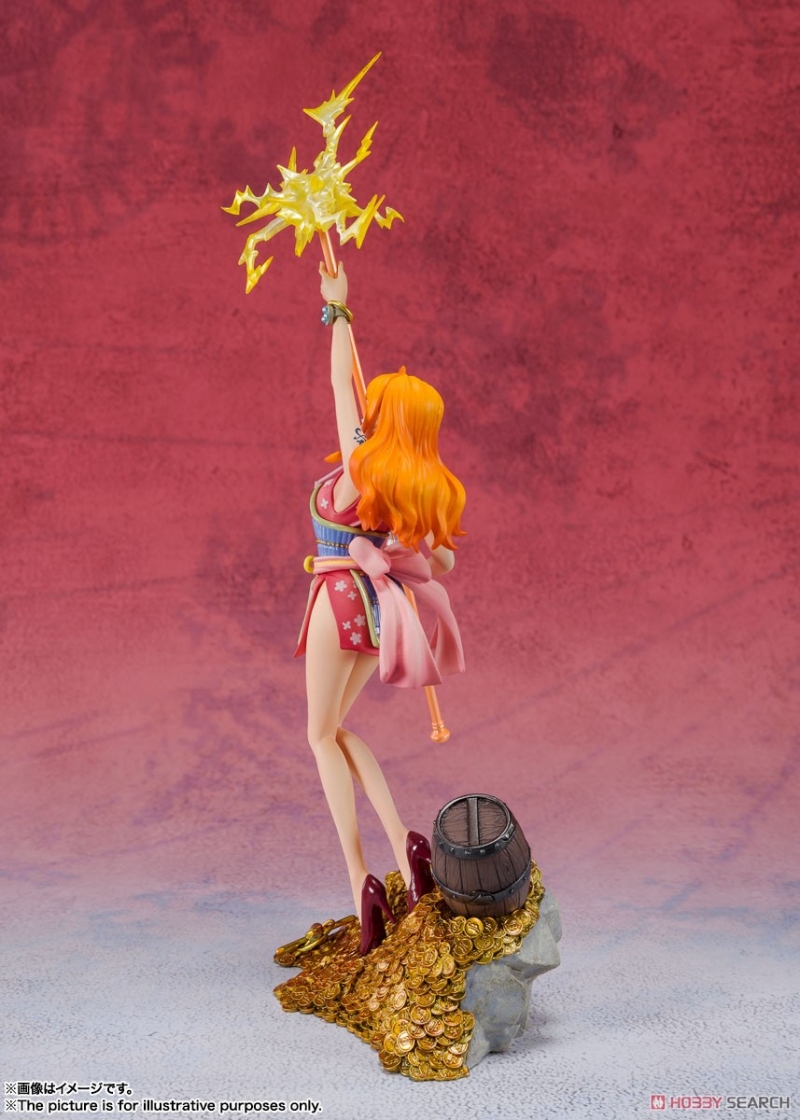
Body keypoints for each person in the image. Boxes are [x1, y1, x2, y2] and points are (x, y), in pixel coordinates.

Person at [294, 259, 466, 954]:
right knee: (335, 730)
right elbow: (440, 562)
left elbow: (341, 382)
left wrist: (338, 310)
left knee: (318, 737)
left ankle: (361, 879)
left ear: (381, 418)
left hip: (338, 600)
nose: (363, 411)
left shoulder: (362, 467)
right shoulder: (407, 487)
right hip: (376, 609)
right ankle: (405, 842)